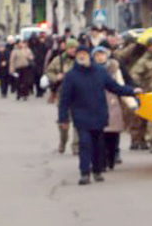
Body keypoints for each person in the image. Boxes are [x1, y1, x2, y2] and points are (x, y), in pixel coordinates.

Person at [57, 41, 141, 184]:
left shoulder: (100, 72)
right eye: (79, 55)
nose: (82, 57)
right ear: (76, 57)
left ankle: (96, 171)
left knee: (97, 145)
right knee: (84, 143)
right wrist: (63, 119)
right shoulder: (71, 76)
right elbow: (64, 99)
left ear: (89, 56)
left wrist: (132, 91)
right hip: (81, 115)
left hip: (98, 114)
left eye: (84, 54)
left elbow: (115, 87)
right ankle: (84, 173)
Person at [95, 43, 131, 169]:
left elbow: (120, 86)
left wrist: (131, 102)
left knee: (113, 133)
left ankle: (113, 154)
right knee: (101, 134)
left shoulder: (115, 68)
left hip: (113, 103)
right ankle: (102, 159)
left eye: (102, 55)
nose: (100, 58)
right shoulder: (91, 70)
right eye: (97, 55)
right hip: (97, 104)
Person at [45, 38, 80, 153]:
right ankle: (63, 141)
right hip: (63, 94)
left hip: (78, 95)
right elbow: (48, 71)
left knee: (78, 121)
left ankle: (76, 146)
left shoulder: (81, 59)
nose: (73, 50)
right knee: (63, 121)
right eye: (71, 48)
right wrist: (56, 77)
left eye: (75, 48)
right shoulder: (59, 60)